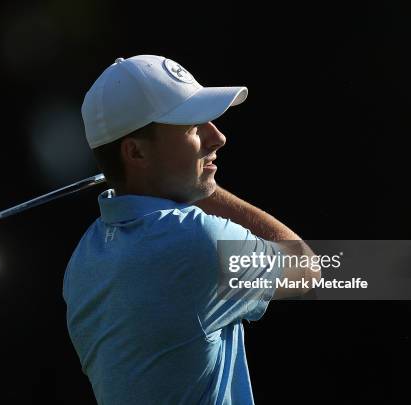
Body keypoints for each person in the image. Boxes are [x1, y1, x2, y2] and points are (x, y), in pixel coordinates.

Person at [63, 55, 319, 404]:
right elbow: (306, 268)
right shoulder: (193, 241)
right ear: (135, 152)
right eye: (192, 126)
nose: (218, 137)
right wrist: (206, 189)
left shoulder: (84, 258)